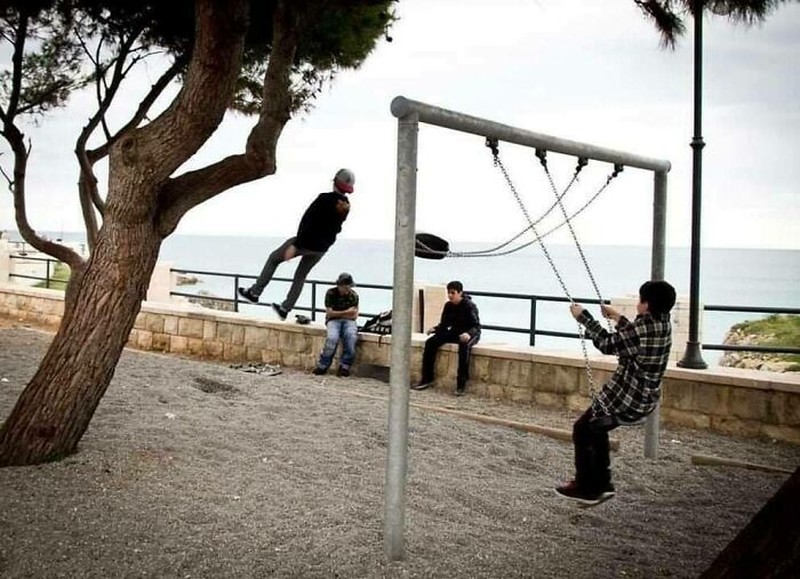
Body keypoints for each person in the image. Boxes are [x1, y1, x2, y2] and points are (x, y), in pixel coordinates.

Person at [555, 280, 676, 506]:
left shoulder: (641, 330)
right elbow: (636, 337)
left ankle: (586, 487)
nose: (638, 304)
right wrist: (617, 317)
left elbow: (607, 344)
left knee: (582, 429)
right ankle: (603, 484)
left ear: (646, 304)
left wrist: (583, 318)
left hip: (625, 398)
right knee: (596, 427)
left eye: (640, 300)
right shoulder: (663, 324)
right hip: (646, 398)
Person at [238, 168, 355, 320]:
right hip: (321, 248)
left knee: (273, 259)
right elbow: (335, 229)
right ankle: (285, 308)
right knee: (301, 276)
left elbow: (307, 222)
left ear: (335, 182)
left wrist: (296, 245)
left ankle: (254, 293)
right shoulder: (345, 205)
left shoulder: (324, 199)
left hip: (305, 242)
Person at [412, 280, 481, 396]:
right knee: (431, 342)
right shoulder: (448, 306)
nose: (450, 295)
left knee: (464, 348)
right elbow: (444, 324)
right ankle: (427, 378)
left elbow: (476, 326)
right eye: (448, 293)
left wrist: (468, 334)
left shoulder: (469, 306)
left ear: (460, 293)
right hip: (455, 332)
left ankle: (461, 385)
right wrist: (435, 329)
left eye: (453, 293)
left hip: (470, 333)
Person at [311, 272, 359, 377]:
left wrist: (337, 313)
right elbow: (329, 313)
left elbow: (354, 316)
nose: (347, 289)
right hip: (333, 320)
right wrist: (346, 312)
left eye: (349, 286)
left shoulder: (354, 296)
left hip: (349, 321)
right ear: (340, 285)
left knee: (351, 337)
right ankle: (323, 365)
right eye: (345, 286)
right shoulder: (331, 293)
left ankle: (345, 366)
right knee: (332, 338)